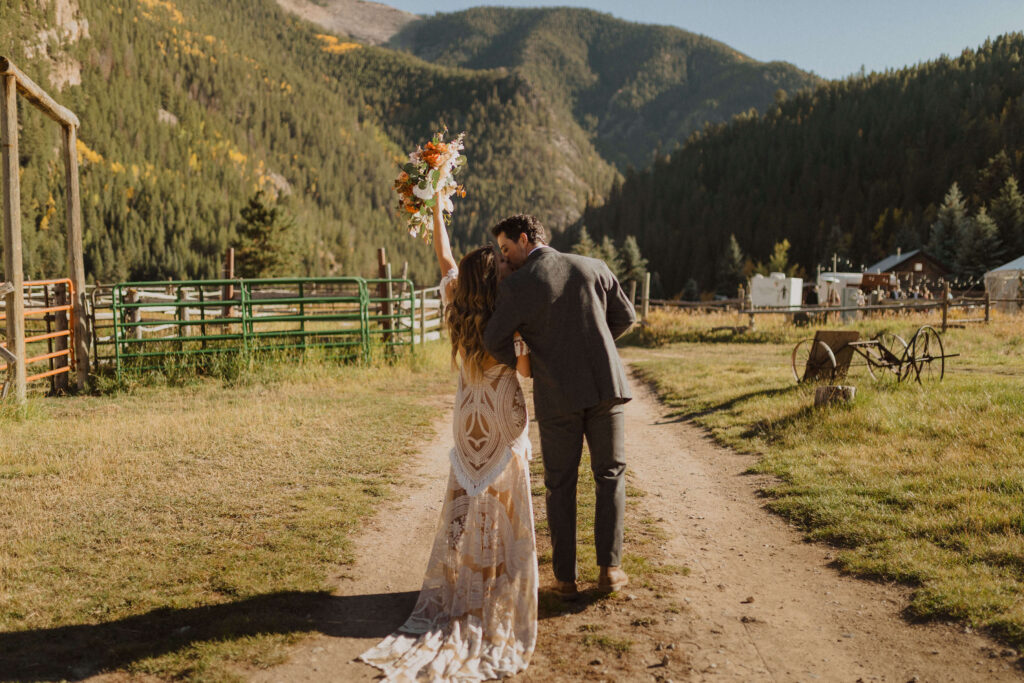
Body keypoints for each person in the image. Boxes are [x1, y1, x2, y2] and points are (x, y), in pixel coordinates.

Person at [359, 202, 538, 680]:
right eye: (499, 262)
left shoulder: (457, 304)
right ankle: (501, 581)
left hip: (467, 415)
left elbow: (445, 260)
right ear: (493, 277)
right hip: (502, 415)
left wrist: (437, 208)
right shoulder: (510, 311)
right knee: (506, 494)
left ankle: (465, 580)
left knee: (469, 494)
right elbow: (525, 370)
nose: (505, 263)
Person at [483, 215, 636, 599]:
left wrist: (529, 362)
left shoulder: (518, 285)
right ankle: (610, 570)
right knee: (611, 475)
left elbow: (492, 338)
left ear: (523, 239)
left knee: (560, 484)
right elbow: (626, 316)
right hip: (606, 387)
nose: (506, 259)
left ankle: (565, 579)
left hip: (557, 394)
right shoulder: (593, 266)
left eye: (505, 249)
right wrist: (593, 344)